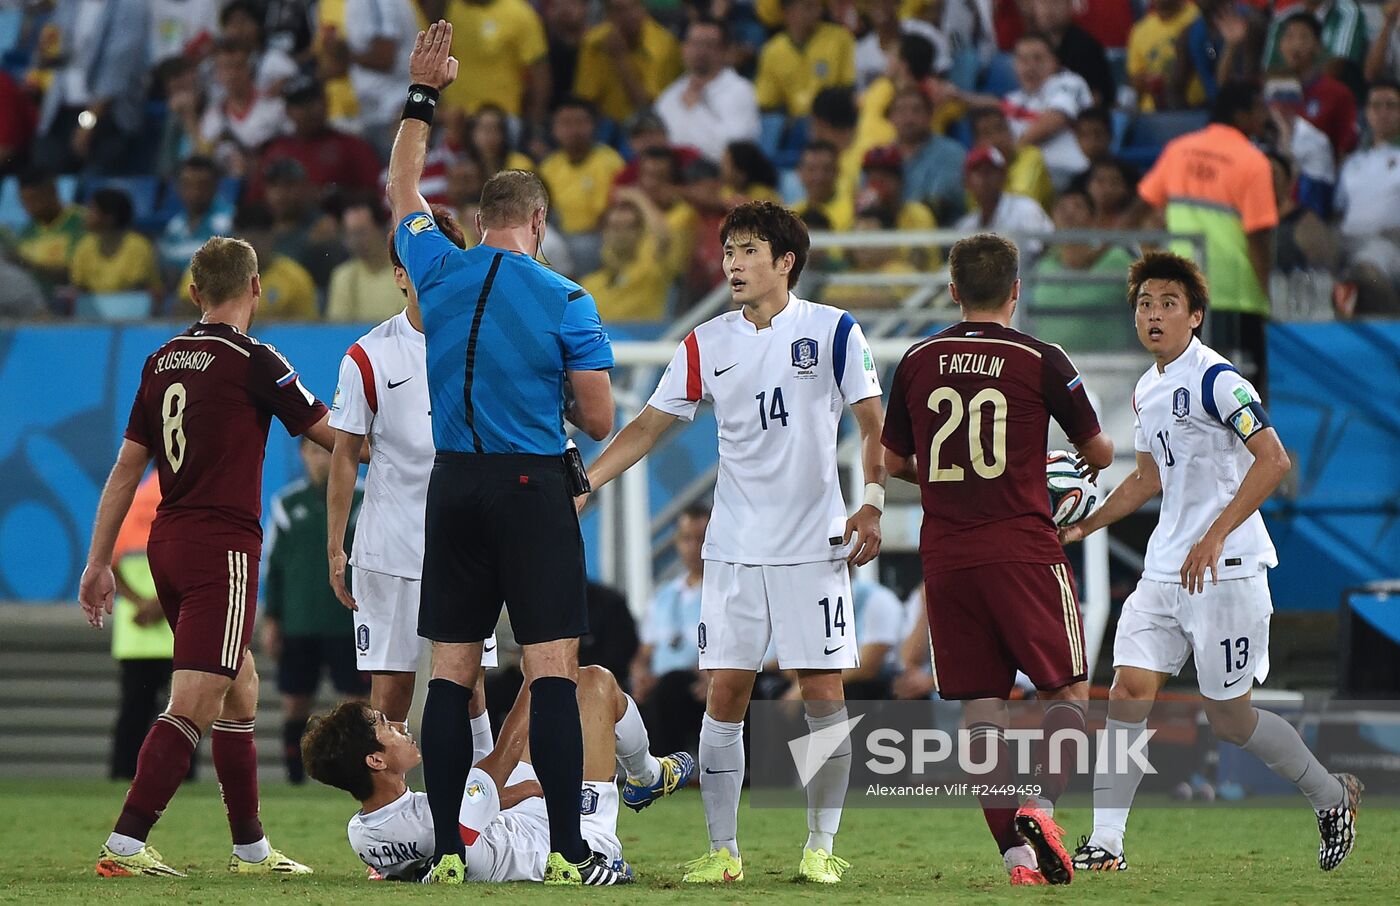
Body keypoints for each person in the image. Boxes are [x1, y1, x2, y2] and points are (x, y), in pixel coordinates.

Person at [384, 20, 625, 886]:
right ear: (539, 222)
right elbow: (597, 419)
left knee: (450, 672)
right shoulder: (567, 297)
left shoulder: (435, 267)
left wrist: (424, 92)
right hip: (529, 485)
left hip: (453, 485)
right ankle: (566, 850)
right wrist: (552, 379)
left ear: (480, 219)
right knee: (551, 666)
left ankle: (448, 854)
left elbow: (401, 181)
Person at [585, 200, 888, 884]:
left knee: (822, 691)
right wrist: (589, 482)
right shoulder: (706, 343)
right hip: (733, 549)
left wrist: (871, 503)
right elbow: (645, 428)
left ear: (785, 262)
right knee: (724, 691)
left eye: (748, 250)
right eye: (727, 252)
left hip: (815, 543)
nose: (732, 264)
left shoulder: (836, 332)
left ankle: (821, 845)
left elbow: (873, 423)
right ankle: (723, 851)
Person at [1062, 251, 1362, 873]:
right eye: (1145, 303)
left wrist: (1216, 535)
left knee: (1230, 718)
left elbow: (1274, 461)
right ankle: (1106, 844)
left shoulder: (1218, 380)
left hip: (1227, 571)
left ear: (1195, 316)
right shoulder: (1148, 388)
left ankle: (1330, 796)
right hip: (1165, 571)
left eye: (1169, 303)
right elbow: (1146, 479)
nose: (1154, 314)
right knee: (1126, 691)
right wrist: (1086, 526)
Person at [79, 234, 335, 877]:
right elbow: (331, 436)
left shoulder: (161, 359)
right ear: (255, 288)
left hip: (167, 543)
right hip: (222, 547)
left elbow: (122, 471)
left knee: (240, 687)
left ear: (194, 293)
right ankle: (126, 845)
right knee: (194, 699)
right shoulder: (256, 360)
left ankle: (250, 849)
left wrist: (98, 561)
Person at [880, 233, 1114, 887]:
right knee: (1067, 689)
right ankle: (1040, 806)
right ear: (1016, 289)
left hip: (948, 556)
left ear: (953, 291)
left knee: (982, 710)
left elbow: (894, 461)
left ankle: (1017, 862)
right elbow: (1098, 454)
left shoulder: (917, 359)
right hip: (1022, 548)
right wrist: (1047, 471)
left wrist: (954, 480)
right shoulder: (1041, 358)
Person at [326, 206, 500, 755]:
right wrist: (336, 546)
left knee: (470, 684)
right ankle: (388, 816)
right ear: (400, 273)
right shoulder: (368, 356)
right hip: (389, 550)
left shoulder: (487, 346)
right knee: (391, 693)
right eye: (417, 262)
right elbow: (344, 454)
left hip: (468, 548)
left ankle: (483, 809)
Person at [302, 665, 694, 881]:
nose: (402, 729)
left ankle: (647, 775)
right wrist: (539, 674)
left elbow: (483, 785)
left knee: (562, 698)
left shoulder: (362, 832)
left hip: (521, 820)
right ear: (376, 761)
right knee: (592, 681)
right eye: (386, 727)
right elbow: (494, 770)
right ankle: (646, 776)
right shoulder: (429, 820)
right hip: (565, 835)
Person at [1136, 80, 1276, 392]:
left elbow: (1144, 211)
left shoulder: (1178, 150)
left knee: (1186, 391)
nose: (1264, 116)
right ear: (1240, 115)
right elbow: (1258, 238)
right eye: (1259, 109)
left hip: (1182, 294)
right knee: (1240, 398)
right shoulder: (1252, 162)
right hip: (1236, 294)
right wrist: (1268, 294)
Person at [261, 437, 370, 784]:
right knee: (295, 702)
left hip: (350, 621)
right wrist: (272, 620)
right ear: (302, 456)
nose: (321, 459)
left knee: (356, 706)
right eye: (314, 451)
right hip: (300, 622)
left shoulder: (366, 499)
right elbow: (273, 567)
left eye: (328, 451)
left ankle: (355, 778)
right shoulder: (287, 504)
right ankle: (295, 777)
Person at [31, 0, 149, 175]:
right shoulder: (68, 5)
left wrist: (87, 124)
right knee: (44, 172)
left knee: (95, 177)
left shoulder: (130, 7)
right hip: (60, 108)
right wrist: (44, 53)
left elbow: (116, 72)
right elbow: (54, 55)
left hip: (106, 115)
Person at [631, 503, 710, 759]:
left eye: (701, 539)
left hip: (698, 681)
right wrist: (640, 672)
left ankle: (667, 766)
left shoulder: (728, 591)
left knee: (671, 687)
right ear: (677, 542)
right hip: (663, 683)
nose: (694, 547)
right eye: (687, 539)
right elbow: (645, 651)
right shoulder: (664, 595)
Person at [654, 18, 762, 165]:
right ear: (684, 48)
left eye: (709, 45)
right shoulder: (670, 95)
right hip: (672, 176)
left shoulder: (740, 91)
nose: (700, 51)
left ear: (725, 51)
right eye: (694, 43)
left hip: (717, 177)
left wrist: (697, 109)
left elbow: (735, 152)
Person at [574, 0, 682, 125]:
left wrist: (620, 59)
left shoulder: (663, 46)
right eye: (619, 10)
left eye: (634, 7)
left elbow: (646, 109)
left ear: (644, 9)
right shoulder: (593, 43)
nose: (630, 15)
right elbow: (586, 101)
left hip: (649, 126)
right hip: (604, 126)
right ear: (608, 15)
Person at [755, 0, 857, 119]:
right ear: (788, 12)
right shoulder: (772, 51)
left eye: (818, 6)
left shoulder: (840, 38)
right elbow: (766, 102)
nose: (817, 11)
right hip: (793, 125)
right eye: (808, 6)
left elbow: (849, 86)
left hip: (832, 120)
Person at [1275, 12, 1358, 158]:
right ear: (1280, 45)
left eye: (1303, 37)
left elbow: (1346, 146)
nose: (1296, 44)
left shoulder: (1337, 93)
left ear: (1318, 45)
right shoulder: (1269, 89)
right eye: (1289, 37)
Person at [69, 188, 163, 305]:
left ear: (109, 217)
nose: (86, 214)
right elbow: (79, 288)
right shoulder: (84, 246)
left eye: (92, 210)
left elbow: (138, 290)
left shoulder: (138, 247)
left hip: (132, 311)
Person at [955, 146, 1055, 250]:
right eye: (978, 171)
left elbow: (1048, 248)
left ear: (1004, 176)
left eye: (990, 171)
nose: (984, 177)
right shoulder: (965, 226)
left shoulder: (1025, 209)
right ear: (966, 181)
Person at [159, 157, 235, 287]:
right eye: (188, 184)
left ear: (215, 186)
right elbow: (168, 271)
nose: (195, 192)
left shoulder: (230, 221)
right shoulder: (174, 227)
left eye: (202, 185)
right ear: (178, 188)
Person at [325, 201, 403, 322]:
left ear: (382, 230)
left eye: (361, 232)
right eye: (350, 234)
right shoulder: (342, 276)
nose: (355, 240)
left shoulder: (405, 273)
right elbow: (338, 326)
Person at [1125, 0, 1204, 111]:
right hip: (1152, 115)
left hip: (1196, 108)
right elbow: (1133, 77)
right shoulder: (1140, 30)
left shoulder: (1198, 16)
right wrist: (1145, 81)